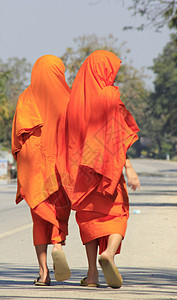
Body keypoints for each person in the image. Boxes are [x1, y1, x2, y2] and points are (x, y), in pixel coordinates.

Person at [63, 50, 140, 288]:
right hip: (110, 170)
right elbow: (118, 137)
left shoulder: (74, 102)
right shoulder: (110, 96)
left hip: (83, 172)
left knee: (89, 218)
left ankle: (92, 276)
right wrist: (128, 167)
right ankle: (109, 253)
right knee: (117, 213)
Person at [11, 55, 71, 286]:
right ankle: (58, 244)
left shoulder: (26, 97)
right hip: (60, 168)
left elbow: (17, 138)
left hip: (34, 168)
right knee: (59, 212)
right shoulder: (67, 97)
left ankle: (43, 272)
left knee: (39, 218)